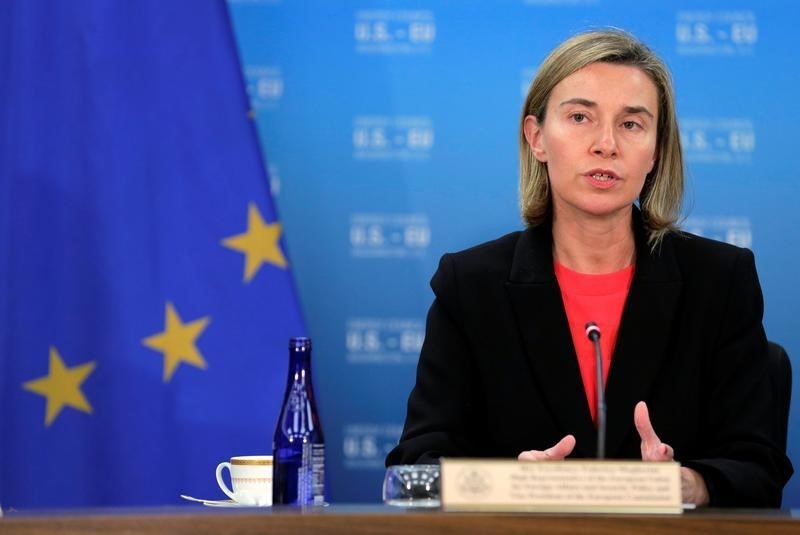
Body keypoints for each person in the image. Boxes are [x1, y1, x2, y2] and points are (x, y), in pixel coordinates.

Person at [385, 29, 793, 507]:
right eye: (580, 117)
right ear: (537, 137)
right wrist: (507, 484)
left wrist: (681, 485)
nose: (605, 144)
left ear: (656, 151)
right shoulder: (471, 285)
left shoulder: (720, 280)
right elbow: (414, 470)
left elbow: (758, 469)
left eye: (632, 124)